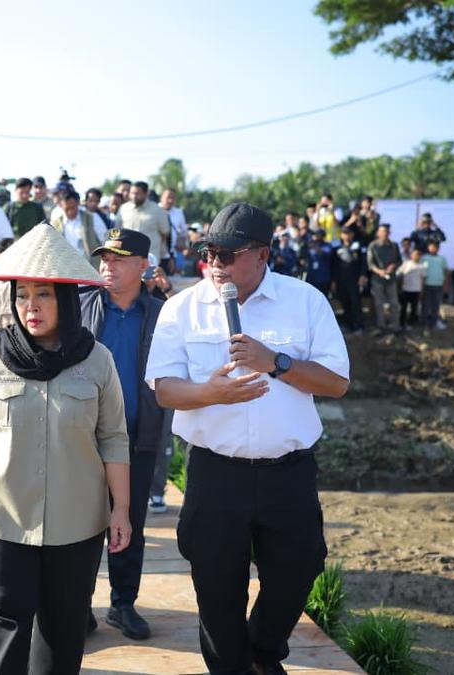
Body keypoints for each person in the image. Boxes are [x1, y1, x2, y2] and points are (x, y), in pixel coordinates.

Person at [145, 202, 349, 675]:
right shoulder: (182, 308)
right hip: (216, 475)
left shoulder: (305, 302)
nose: (215, 263)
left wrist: (275, 362)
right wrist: (210, 392)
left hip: (289, 473)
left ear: (261, 254)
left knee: (300, 569)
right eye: (209, 252)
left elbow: (337, 382)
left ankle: (261, 651)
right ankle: (233, 667)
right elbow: (164, 389)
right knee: (216, 591)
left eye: (227, 253)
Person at [0, 223, 131, 675]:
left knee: (63, 625)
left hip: (77, 522)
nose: (30, 307)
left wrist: (122, 509)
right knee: (4, 623)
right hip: (1, 517)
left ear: (66, 299)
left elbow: (114, 436)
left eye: (43, 295)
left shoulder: (97, 360)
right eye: (21, 296)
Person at [77, 228, 170, 640]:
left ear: (143, 265)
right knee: (78, 526)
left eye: (118, 259)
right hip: (82, 437)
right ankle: (77, 605)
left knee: (129, 523)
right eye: (103, 259)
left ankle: (122, 604)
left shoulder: (162, 313)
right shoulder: (80, 306)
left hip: (137, 434)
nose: (107, 266)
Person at [115, 182, 171, 272]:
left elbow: (165, 233)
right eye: (132, 193)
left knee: (149, 285)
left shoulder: (157, 210)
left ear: (146, 194)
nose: (134, 196)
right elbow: (117, 231)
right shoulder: (123, 209)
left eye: (137, 194)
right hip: (127, 259)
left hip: (149, 260)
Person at [50, 189, 105, 265]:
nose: (70, 212)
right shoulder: (55, 224)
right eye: (67, 209)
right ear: (61, 206)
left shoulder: (92, 218)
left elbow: (104, 240)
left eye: (73, 208)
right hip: (66, 267)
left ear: (78, 203)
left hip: (89, 267)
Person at [366, 223, 402, 333]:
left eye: (386, 232)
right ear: (378, 233)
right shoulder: (373, 246)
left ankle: (395, 326)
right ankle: (381, 326)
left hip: (391, 279)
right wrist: (379, 271)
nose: (385, 234)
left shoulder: (394, 245)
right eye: (382, 231)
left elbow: (399, 260)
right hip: (378, 279)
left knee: (394, 303)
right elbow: (370, 264)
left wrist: (394, 266)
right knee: (379, 304)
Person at [332, 225, 367, 334]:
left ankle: (359, 326)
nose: (346, 236)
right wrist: (333, 280)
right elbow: (333, 264)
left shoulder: (358, 245)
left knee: (355, 302)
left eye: (349, 233)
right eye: (344, 234)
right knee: (344, 302)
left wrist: (363, 275)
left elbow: (364, 262)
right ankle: (348, 325)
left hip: (355, 279)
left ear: (352, 234)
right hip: (341, 279)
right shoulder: (336, 247)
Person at [420, 240, 450, 330]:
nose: (433, 249)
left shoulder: (442, 259)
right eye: (431, 247)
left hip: (438, 285)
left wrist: (446, 285)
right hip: (427, 285)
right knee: (425, 305)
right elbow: (421, 272)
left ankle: (434, 323)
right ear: (428, 248)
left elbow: (446, 272)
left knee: (436, 305)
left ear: (438, 248)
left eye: (435, 247)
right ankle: (424, 323)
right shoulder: (424, 258)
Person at [398, 246, 426, 329]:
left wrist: (422, 291)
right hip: (406, 289)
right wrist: (400, 287)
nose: (416, 256)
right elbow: (401, 275)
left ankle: (411, 323)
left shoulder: (422, 266)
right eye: (414, 254)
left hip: (416, 290)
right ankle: (402, 323)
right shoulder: (406, 264)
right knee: (403, 307)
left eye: (418, 255)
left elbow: (423, 279)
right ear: (411, 255)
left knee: (414, 308)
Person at [303, 229, 334, 297]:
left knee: (324, 296)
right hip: (312, 276)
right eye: (315, 235)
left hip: (324, 277)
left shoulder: (327, 245)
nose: (315, 236)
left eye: (318, 235)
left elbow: (326, 254)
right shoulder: (310, 245)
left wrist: (315, 246)